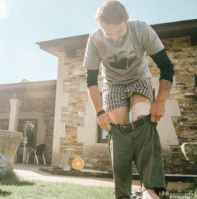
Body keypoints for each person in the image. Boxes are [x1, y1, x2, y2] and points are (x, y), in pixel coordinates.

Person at [83, 1, 174, 199]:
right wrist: (100, 112)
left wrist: (160, 101)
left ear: (127, 18)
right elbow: (90, 80)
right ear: (100, 27)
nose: (115, 37)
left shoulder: (141, 29)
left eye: (119, 31)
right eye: (109, 33)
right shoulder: (95, 39)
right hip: (113, 86)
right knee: (119, 130)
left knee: (144, 121)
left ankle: (151, 189)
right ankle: (123, 193)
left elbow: (166, 66)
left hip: (139, 79)